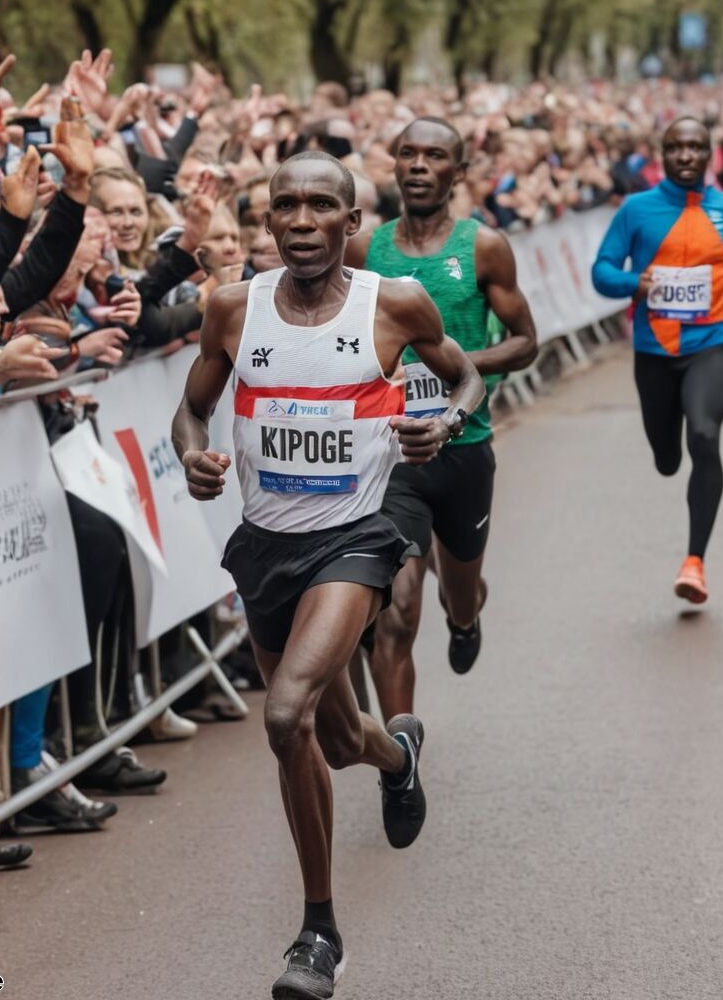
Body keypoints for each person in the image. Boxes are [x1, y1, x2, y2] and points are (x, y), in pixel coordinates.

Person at [172, 150, 484, 999]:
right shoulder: (232, 308)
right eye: (287, 207)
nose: (303, 221)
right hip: (264, 546)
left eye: (321, 207)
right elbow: (193, 408)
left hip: (354, 540)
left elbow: (465, 375)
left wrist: (443, 426)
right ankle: (397, 758)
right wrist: (195, 457)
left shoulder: (398, 304)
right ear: (267, 222)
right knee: (341, 740)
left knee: (284, 715)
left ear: (352, 225)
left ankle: (317, 932)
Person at [346, 117, 537, 721]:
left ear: (458, 172)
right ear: (395, 167)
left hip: (463, 449)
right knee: (396, 611)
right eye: (408, 154)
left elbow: (526, 341)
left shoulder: (482, 246)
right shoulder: (363, 250)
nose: (420, 165)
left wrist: (452, 364)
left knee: (456, 593)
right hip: (389, 454)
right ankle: (399, 757)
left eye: (435, 155)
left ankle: (466, 614)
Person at [592, 117, 723, 604]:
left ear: (710, 154)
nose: (686, 156)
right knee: (667, 458)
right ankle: (665, 451)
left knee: (705, 435)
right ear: (663, 154)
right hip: (653, 352)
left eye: (696, 147)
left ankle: (695, 562)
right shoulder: (636, 210)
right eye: (676, 147)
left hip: (711, 344)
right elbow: (602, 271)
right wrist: (635, 283)